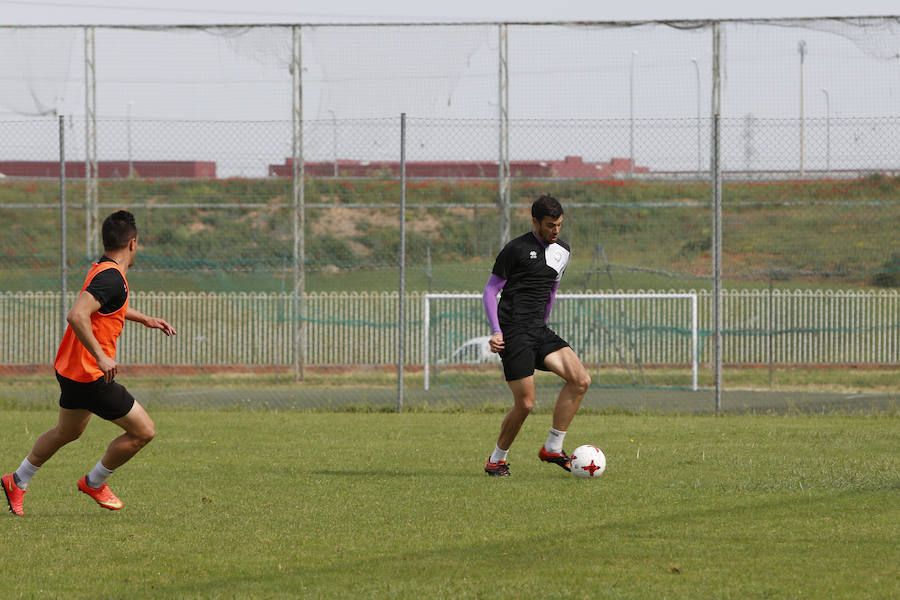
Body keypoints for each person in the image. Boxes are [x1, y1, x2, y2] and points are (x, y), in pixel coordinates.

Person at [2, 210, 176, 515]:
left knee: (65, 432)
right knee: (143, 432)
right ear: (133, 243)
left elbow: (108, 304)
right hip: (91, 374)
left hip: (70, 370)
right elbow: (77, 314)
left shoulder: (103, 269)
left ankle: (18, 480)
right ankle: (95, 482)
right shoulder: (113, 278)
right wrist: (101, 355)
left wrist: (144, 318)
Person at [482, 195, 591, 477]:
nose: (556, 230)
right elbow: (490, 290)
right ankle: (496, 460)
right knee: (526, 403)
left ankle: (553, 447)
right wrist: (496, 331)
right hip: (514, 332)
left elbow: (552, 291)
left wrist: (543, 324)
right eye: (550, 225)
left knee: (580, 380)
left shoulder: (563, 251)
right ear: (535, 222)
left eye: (559, 225)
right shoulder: (515, 249)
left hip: (537, 329)